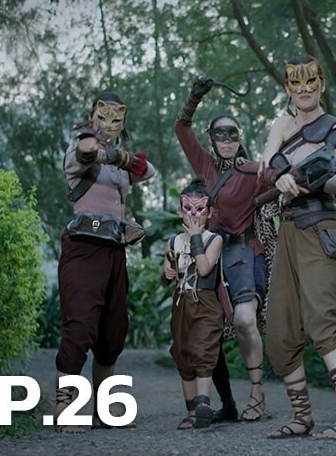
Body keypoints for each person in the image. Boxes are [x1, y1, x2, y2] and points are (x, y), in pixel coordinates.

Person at [259, 54, 336, 440]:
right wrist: (280, 174)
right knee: (280, 330)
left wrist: (309, 176)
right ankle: (302, 417)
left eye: (310, 82)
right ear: (287, 88)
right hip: (287, 230)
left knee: (321, 320)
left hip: (321, 227)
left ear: (321, 85)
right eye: (295, 83)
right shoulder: (281, 125)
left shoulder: (334, 127)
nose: (303, 89)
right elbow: (266, 164)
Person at [174, 79, 279, 422]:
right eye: (220, 134)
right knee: (206, 330)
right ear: (212, 139)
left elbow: (279, 177)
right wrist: (195, 96)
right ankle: (227, 404)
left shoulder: (251, 170)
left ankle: (257, 392)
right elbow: (181, 128)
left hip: (243, 253)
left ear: (239, 138)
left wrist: (288, 177)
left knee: (245, 319)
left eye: (233, 134)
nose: (227, 140)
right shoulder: (205, 168)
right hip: (207, 256)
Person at [56, 92, 157, 432]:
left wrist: (120, 157)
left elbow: (149, 171)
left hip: (114, 251)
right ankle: (64, 407)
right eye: (102, 118)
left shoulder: (119, 167)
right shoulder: (79, 154)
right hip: (83, 250)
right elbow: (86, 150)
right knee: (80, 325)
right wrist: (98, 142)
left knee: (112, 332)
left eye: (116, 120)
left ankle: (103, 411)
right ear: (92, 117)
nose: (108, 126)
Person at [161, 180, 225, 430]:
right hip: (181, 303)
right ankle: (191, 413)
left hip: (205, 303)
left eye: (200, 210)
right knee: (183, 353)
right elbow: (167, 275)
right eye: (188, 209)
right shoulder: (173, 242)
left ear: (209, 212)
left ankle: (203, 405)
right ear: (181, 211)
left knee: (203, 350)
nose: (194, 215)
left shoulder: (213, 239)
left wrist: (196, 237)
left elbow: (205, 268)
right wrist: (166, 274)